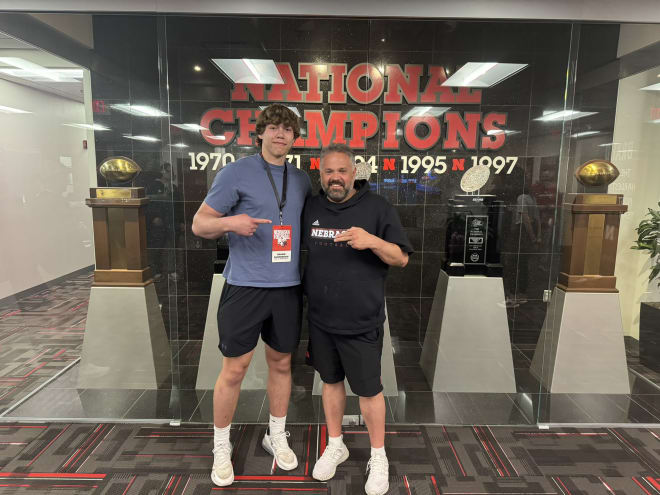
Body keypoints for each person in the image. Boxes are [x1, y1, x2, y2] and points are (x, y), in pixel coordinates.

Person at [192, 104, 311, 487]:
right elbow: (200, 224)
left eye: (288, 129)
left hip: (287, 289)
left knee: (281, 366)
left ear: (296, 136)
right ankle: (221, 445)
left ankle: (276, 434)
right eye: (274, 128)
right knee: (235, 370)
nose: (281, 135)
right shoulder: (235, 172)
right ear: (260, 133)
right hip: (244, 287)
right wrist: (231, 222)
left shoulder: (302, 179)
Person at [302, 143, 413, 495]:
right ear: (321, 175)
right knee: (330, 383)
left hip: (362, 320)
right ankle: (336, 443)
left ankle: (378, 455)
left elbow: (401, 258)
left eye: (342, 171)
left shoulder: (377, 207)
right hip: (320, 318)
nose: (335, 178)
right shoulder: (311, 207)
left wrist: (371, 241)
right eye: (328, 172)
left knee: (369, 391)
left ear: (354, 173)